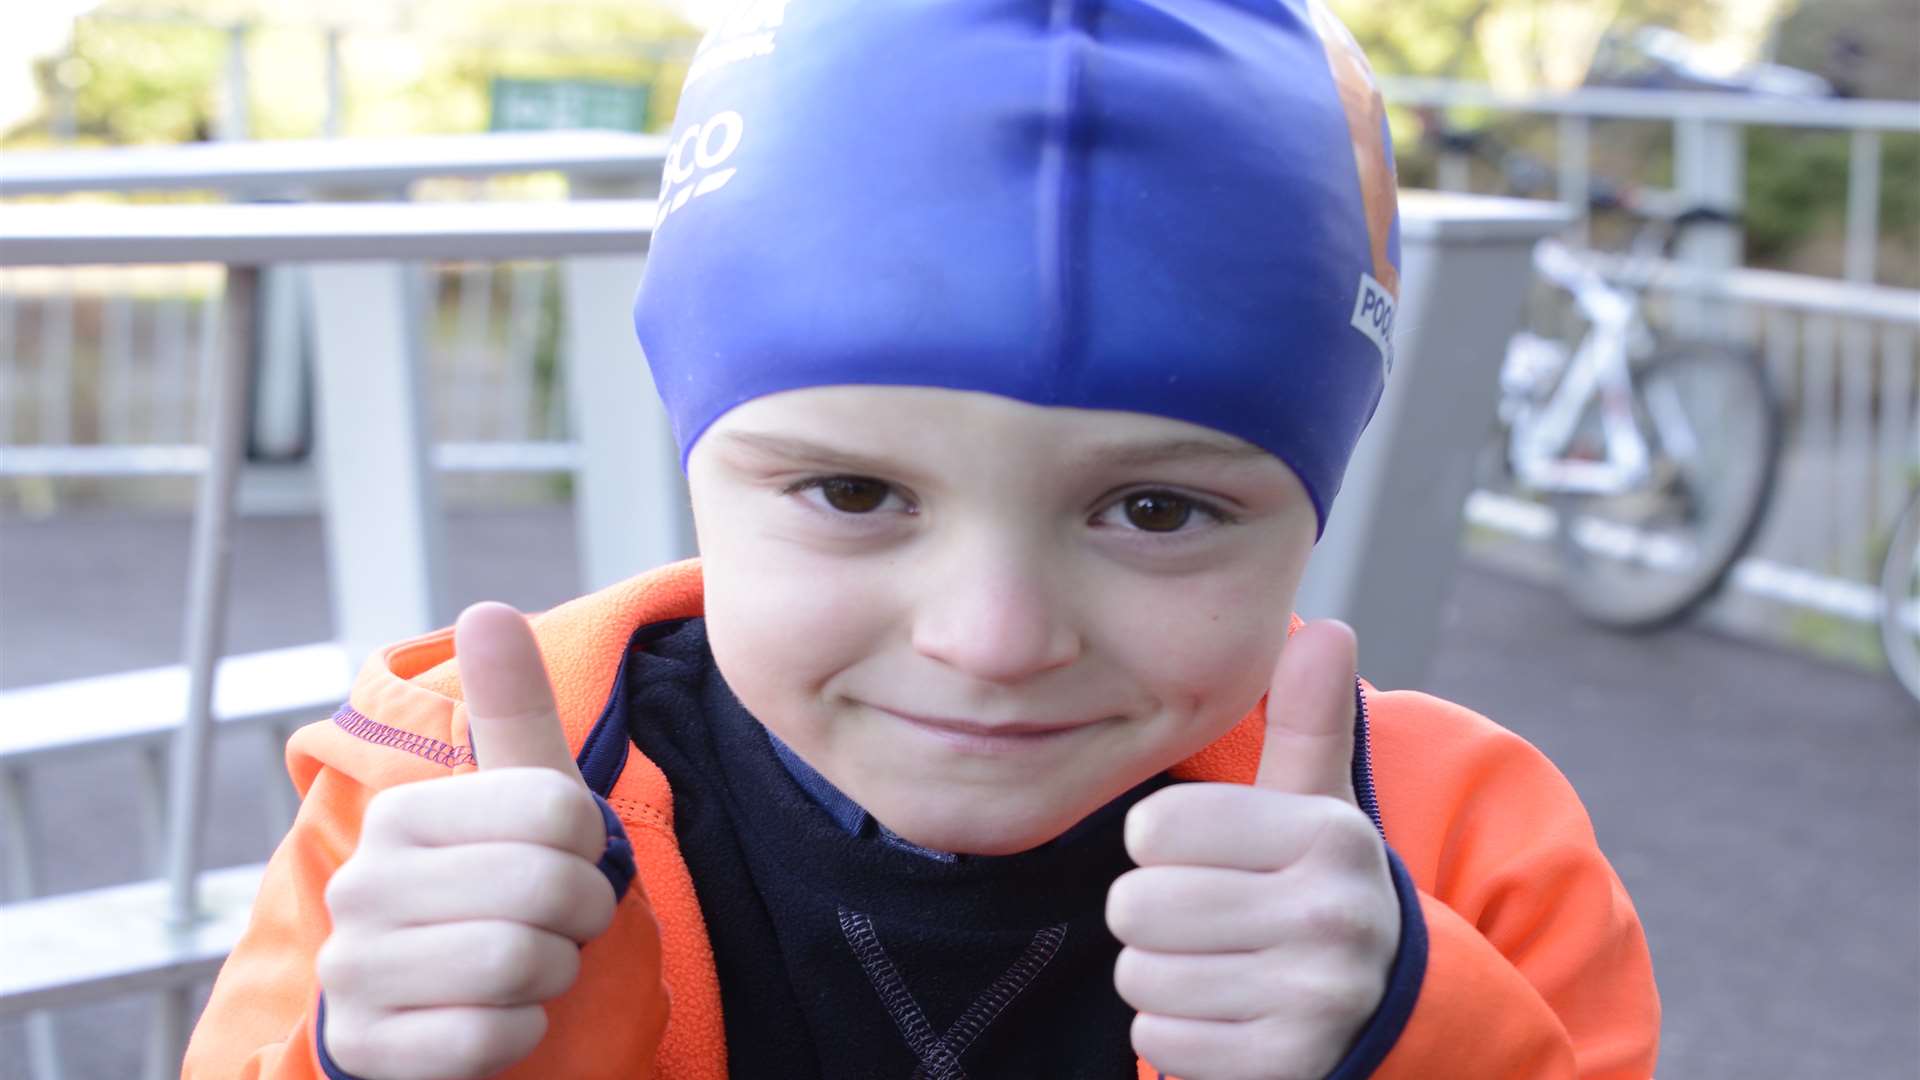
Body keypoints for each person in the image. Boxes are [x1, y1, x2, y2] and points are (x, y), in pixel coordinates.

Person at [184, 1, 1659, 1077]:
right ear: (698, 462)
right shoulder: (430, 812)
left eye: (1155, 510)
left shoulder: (1464, 856)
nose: (995, 637)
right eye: (854, 494)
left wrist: (1414, 1040)